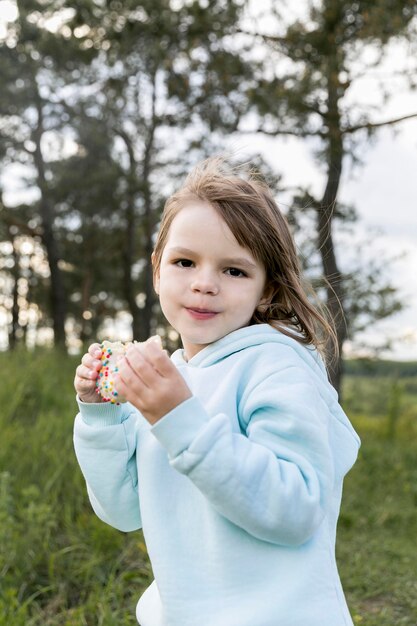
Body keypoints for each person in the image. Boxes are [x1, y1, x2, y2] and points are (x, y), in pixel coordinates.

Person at [73, 157, 360, 626]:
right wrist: (100, 417)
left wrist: (177, 417)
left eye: (234, 271)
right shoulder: (172, 378)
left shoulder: (276, 365)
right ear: (157, 272)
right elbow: (124, 511)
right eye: (184, 262)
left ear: (267, 290)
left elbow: (297, 508)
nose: (204, 284)